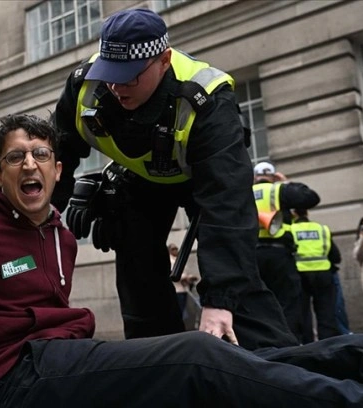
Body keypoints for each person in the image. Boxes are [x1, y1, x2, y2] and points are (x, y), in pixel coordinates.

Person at [0, 113, 363, 408]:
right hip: (24, 374)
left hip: (62, 363)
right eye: (15, 158)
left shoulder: (60, 235)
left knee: (241, 360)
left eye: (40, 154)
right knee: (197, 356)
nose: (30, 164)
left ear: (59, 170)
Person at [52, 8, 295, 349]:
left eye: (130, 77)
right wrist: (39, 219)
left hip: (202, 182)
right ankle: (159, 363)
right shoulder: (86, 86)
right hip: (141, 183)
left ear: (164, 60)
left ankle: (282, 366)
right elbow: (56, 155)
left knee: (236, 293)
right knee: (137, 271)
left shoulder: (206, 99)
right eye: (110, 74)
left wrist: (220, 300)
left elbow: (227, 201)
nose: (116, 87)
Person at [253, 161, 320, 342]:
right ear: (273, 176)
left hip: (252, 258)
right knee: (288, 304)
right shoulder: (278, 190)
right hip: (279, 256)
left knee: (258, 304)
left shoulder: (245, 192)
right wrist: (286, 183)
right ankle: (289, 346)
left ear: (254, 177)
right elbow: (311, 198)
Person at [290, 208, 341, 341]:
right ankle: (329, 345)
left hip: (300, 275)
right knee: (327, 314)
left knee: (303, 315)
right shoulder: (322, 229)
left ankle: (309, 346)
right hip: (323, 275)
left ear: (293, 213)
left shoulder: (290, 230)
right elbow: (336, 257)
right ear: (306, 213)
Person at [168, 242, 199, 323]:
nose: (176, 250)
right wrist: (187, 277)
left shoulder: (177, 259)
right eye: (173, 249)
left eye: (176, 248)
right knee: (179, 310)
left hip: (183, 289)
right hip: (177, 290)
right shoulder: (171, 261)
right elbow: (174, 275)